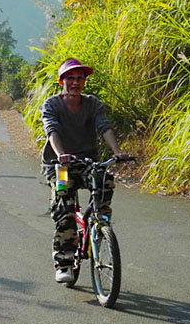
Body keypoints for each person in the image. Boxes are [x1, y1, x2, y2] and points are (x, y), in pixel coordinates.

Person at [41, 58, 131, 284]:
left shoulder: (92, 104)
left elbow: (104, 127)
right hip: (60, 165)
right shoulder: (52, 105)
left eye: (79, 78)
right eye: (70, 78)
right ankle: (64, 262)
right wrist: (61, 154)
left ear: (84, 81)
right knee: (64, 209)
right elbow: (52, 130)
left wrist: (117, 151)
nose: (75, 82)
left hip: (88, 161)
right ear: (62, 81)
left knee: (105, 180)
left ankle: (100, 227)